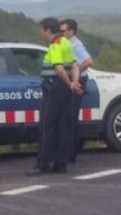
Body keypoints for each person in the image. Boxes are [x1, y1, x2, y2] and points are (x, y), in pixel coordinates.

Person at [28, 17, 81, 175]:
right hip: (65, 91)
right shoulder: (66, 42)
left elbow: (59, 69)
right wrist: (74, 83)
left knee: (47, 126)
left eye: (42, 31)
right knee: (62, 126)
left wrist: (68, 82)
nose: (41, 34)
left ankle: (43, 163)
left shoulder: (56, 45)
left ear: (48, 30)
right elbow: (74, 65)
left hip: (54, 89)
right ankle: (60, 163)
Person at [60, 18, 93, 162]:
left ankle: (71, 153)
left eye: (63, 31)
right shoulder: (67, 43)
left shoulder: (75, 45)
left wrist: (75, 73)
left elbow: (89, 61)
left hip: (77, 82)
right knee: (67, 116)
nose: (61, 33)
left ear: (71, 31)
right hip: (74, 81)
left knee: (71, 117)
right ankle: (68, 151)